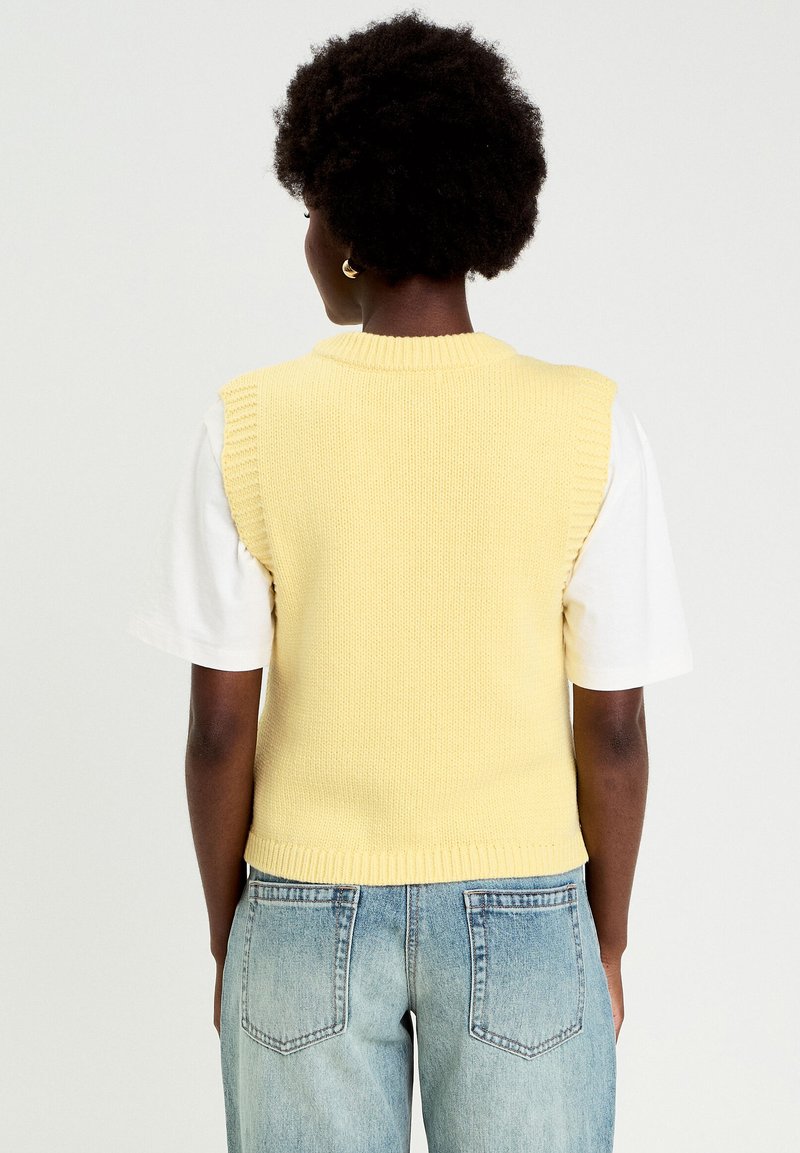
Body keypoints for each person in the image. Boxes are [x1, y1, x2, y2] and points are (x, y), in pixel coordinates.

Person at [128, 10, 693, 1152]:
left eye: (307, 210)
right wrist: (606, 941)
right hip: (530, 905)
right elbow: (616, 729)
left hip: (300, 908)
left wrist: (231, 939)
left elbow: (218, 732)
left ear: (341, 226)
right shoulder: (589, 424)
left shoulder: (248, 423)